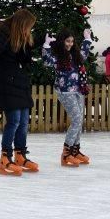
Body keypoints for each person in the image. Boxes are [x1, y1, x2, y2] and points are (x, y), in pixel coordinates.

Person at [0, 8, 40, 176]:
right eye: (28, 26)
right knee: (14, 121)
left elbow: (24, 61)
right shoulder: (4, 35)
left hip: (19, 82)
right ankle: (5, 157)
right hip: (6, 83)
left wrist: (30, 46)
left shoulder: (20, 37)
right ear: (22, 24)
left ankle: (20, 155)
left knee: (23, 121)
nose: (29, 29)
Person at [43, 28, 94, 166]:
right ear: (62, 41)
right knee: (77, 119)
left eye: (71, 41)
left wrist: (87, 39)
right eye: (67, 41)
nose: (70, 44)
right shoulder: (58, 56)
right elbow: (46, 61)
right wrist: (46, 45)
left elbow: (84, 54)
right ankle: (66, 154)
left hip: (79, 90)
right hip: (65, 91)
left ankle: (75, 150)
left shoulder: (76, 54)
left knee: (79, 120)